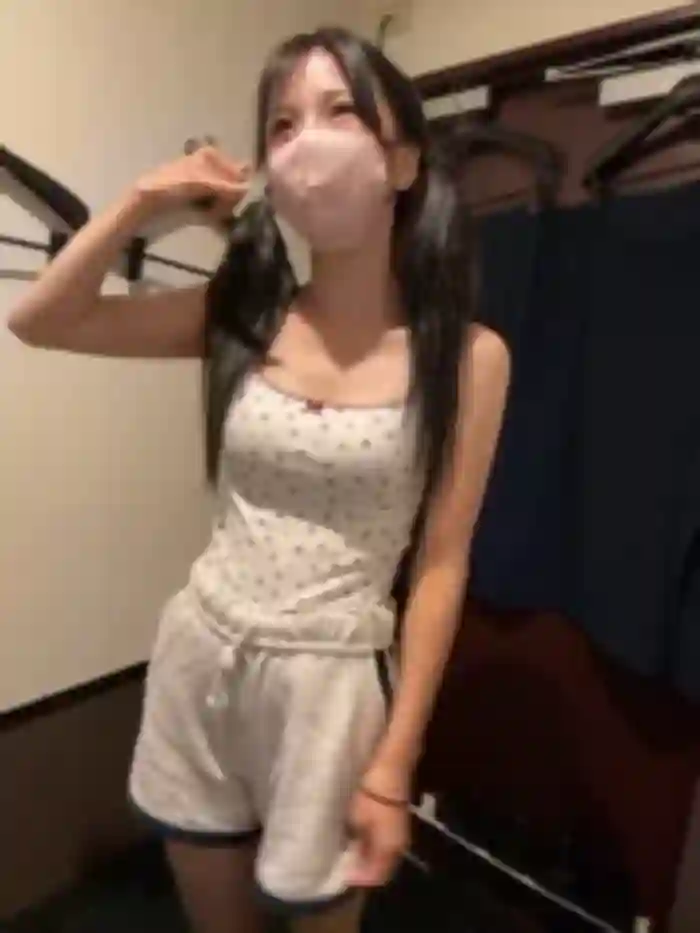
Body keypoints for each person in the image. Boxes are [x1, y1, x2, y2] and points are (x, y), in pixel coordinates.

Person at [7, 26, 510, 933]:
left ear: (402, 161)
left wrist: (395, 764)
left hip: (331, 690)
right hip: (201, 657)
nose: (305, 139)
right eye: (282, 124)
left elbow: (441, 565)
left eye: (339, 110)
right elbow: (40, 319)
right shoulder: (239, 313)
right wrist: (144, 198)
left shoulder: (468, 358)